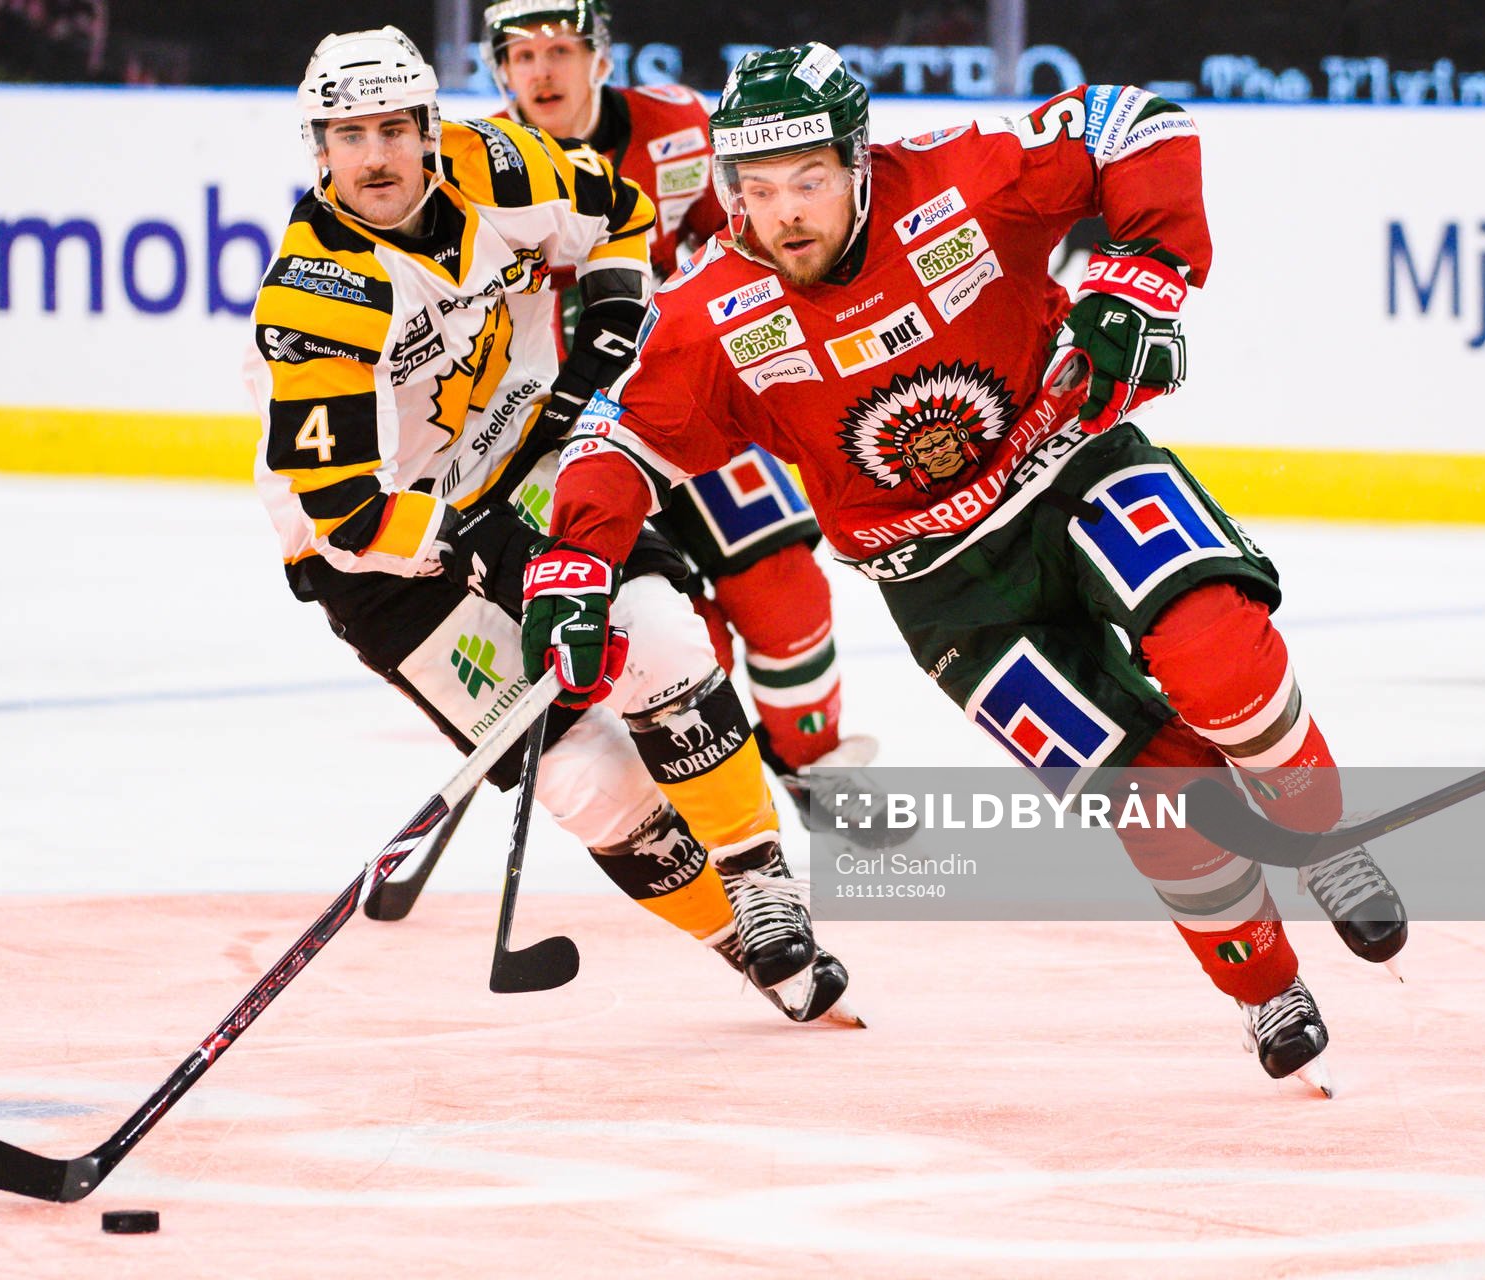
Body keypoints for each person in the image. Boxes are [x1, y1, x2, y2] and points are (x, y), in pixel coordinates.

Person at [525, 43, 1410, 1089]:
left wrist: (1147, 278)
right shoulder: (717, 310)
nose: (786, 214)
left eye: (809, 180)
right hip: (946, 589)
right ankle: (1266, 984)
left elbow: (1135, 121)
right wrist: (574, 566)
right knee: (1154, 797)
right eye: (756, 190)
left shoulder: (960, 179)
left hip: (1075, 465)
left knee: (1216, 650)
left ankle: (1319, 828)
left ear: (859, 161)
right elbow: (621, 442)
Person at [252, 26, 855, 1022]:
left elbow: (618, 211)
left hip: (524, 457)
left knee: (659, 636)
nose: (374, 156)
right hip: (377, 553)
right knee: (586, 780)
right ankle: (741, 944)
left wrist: (614, 311)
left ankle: (762, 883)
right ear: (319, 147)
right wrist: (488, 553)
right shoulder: (318, 302)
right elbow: (345, 510)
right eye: (348, 134)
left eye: (394, 128)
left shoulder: (497, 163)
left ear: (428, 128)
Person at [480, 0, 902, 841]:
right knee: (668, 625)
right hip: (565, 435)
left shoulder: (679, 126)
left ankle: (812, 764)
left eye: (561, 48)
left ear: (600, 57)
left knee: (782, 582)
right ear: (499, 70)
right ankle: (715, 795)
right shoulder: (482, 166)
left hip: (695, 396)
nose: (542, 71)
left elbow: (747, 245)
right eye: (521, 55)